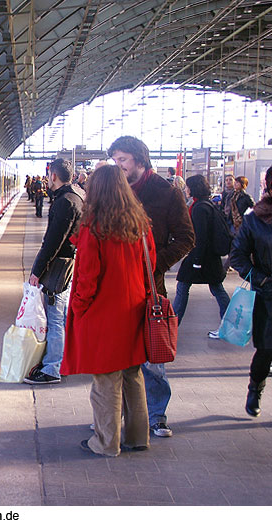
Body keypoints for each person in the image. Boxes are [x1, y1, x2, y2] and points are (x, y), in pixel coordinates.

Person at [61, 164, 153, 456]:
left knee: (106, 378)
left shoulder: (94, 228)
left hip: (104, 312)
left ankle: (105, 443)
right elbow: (149, 265)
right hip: (135, 308)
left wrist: (78, 307)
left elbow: (88, 276)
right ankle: (138, 437)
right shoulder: (139, 223)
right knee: (132, 375)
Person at [108, 136, 195, 438]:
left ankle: (157, 415)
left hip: (149, 287)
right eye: (115, 160)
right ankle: (114, 415)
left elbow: (186, 238)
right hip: (117, 287)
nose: (118, 166)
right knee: (118, 356)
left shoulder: (167, 193)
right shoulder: (114, 191)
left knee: (151, 357)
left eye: (122, 160)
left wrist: (154, 265)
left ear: (138, 160)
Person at [24, 158, 85, 384]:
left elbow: (53, 242)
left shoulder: (65, 202)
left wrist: (37, 271)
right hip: (70, 262)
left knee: (56, 317)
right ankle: (61, 361)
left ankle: (52, 368)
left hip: (60, 264)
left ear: (53, 176)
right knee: (62, 315)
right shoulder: (77, 196)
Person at [230, 166, 272, 417]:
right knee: (266, 350)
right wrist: (261, 279)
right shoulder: (255, 218)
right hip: (268, 295)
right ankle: (256, 387)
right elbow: (238, 255)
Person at [171, 174, 230, 338]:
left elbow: (201, 236)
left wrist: (196, 260)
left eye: (188, 186)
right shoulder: (207, 205)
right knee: (217, 288)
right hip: (210, 258)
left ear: (193, 188)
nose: (186, 189)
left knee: (182, 288)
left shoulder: (199, 208)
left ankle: (172, 328)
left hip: (200, 258)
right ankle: (228, 325)